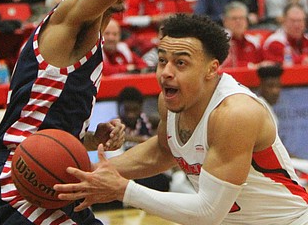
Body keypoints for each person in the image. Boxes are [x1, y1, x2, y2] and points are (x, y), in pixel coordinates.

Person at [54, 13, 308, 224]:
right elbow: (163, 151)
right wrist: (94, 173)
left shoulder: (235, 113)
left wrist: (122, 189)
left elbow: (208, 212)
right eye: (162, 60)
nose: (166, 72)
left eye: (181, 63)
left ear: (212, 69)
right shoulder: (170, 101)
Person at [0, 0, 149, 224]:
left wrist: (92, 138)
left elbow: (45, 125)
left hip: (49, 175)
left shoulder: (87, 36)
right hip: (21, 178)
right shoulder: (68, 14)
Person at [221, 1, 263, 68]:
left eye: (242, 18)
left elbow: (262, 63)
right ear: (225, 21)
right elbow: (224, 65)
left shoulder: (254, 41)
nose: (238, 22)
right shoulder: (221, 42)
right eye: (234, 18)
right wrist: (249, 66)